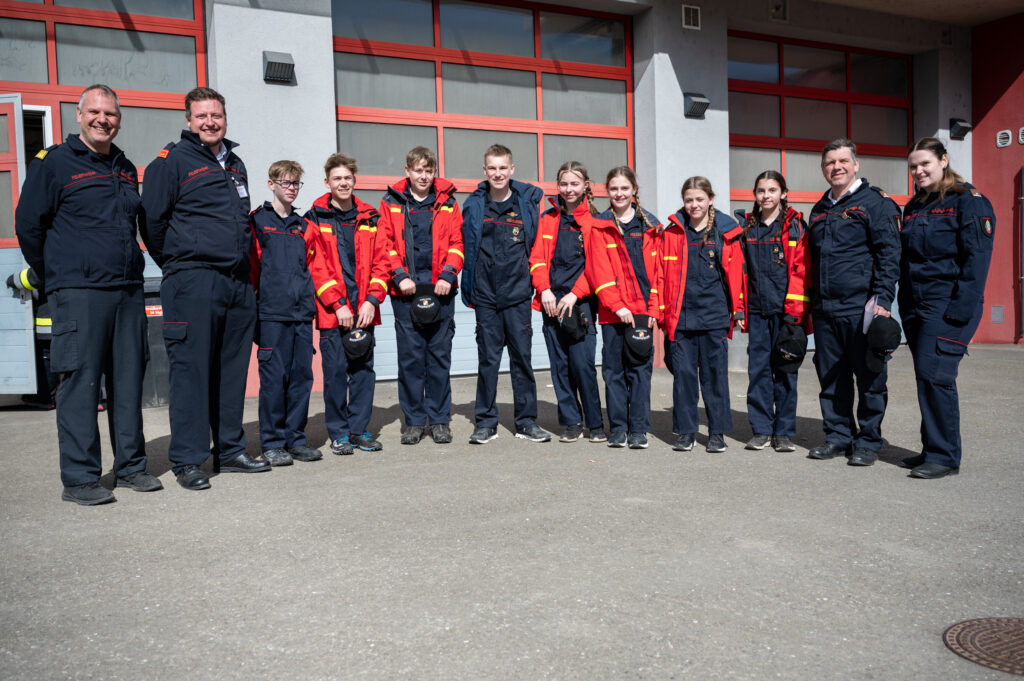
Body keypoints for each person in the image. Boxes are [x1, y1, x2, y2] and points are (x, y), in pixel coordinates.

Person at [15, 84, 159, 504]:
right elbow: (29, 225)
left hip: (128, 291)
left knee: (128, 382)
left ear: (119, 119)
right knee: (80, 384)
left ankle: (131, 468)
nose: (103, 120)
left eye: (111, 114)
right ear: (78, 115)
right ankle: (79, 479)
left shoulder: (125, 166)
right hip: (78, 292)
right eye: (94, 112)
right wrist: (54, 273)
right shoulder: (54, 163)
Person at [142, 86, 268, 491]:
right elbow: (152, 223)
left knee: (232, 374)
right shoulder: (172, 161)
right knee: (191, 374)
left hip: (236, 284)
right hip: (192, 282)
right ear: (188, 120)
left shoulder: (236, 163)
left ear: (225, 118)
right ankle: (188, 460)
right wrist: (180, 264)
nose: (210, 122)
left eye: (216, 115)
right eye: (201, 116)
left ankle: (230, 451)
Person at [899, 137, 994, 479]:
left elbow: (977, 259)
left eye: (924, 163)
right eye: (913, 166)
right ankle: (931, 448)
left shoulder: (969, 201)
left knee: (936, 376)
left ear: (943, 160)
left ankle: (944, 456)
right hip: (915, 303)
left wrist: (960, 310)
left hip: (947, 301)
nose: (919, 171)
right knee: (925, 377)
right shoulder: (914, 206)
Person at [806, 138, 901, 467]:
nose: (837, 167)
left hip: (862, 307)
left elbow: (889, 254)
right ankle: (837, 436)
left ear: (856, 164)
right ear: (823, 169)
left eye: (843, 161)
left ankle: (869, 441)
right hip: (826, 310)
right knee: (831, 376)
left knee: (871, 376)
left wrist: (883, 299)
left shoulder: (875, 204)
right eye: (830, 162)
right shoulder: (819, 209)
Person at [461, 144, 550, 445]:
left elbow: (537, 246)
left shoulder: (526, 205)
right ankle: (486, 423)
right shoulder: (474, 206)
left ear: (512, 170)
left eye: (503, 168)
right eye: (492, 168)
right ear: (484, 171)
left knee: (522, 359)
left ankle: (526, 422)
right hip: (485, 296)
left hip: (517, 296)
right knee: (488, 361)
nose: (497, 173)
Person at [304, 153, 389, 456]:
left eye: (348, 178)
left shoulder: (370, 216)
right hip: (333, 314)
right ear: (327, 182)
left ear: (355, 181)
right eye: (337, 178)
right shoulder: (314, 217)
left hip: (365, 311)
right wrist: (337, 304)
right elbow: (316, 265)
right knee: (336, 374)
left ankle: (359, 430)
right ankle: (339, 433)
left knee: (364, 372)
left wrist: (371, 301)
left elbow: (382, 262)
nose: (343, 183)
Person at [378, 147, 463, 445]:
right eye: (418, 170)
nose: (423, 176)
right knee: (411, 360)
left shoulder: (449, 204)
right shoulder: (390, 203)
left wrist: (448, 275)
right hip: (405, 293)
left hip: (441, 291)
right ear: (407, 171)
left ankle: (439, 420)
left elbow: (457, 242)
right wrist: (399, 276)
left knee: (439, 359)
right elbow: (384, 243)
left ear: (434, 172)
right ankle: (414, 421)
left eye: (428, 170)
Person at [658, 176, 744, 453]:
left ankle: (717, 432)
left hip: (714, 317)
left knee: (714, 377)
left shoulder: (726, 232)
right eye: (689, 200)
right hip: (681, 318)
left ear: (710, 199)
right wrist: (661, 312)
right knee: (683, 377)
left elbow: (738, 274)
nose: (694, 205)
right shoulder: (672, 233)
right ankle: (686, 432)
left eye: (699, 199)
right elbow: (660, 276)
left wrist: (739, 310)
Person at [248, 161, 323, 466]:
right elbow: (251, 270)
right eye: (285, 182)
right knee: (273, 380)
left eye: (295, 184)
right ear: (271, 185)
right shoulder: (257, 221)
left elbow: (313, 270)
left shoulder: (304, 227)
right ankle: (272, 442)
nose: (291, 188)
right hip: (271, 315)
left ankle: (296, 439)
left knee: (301, 378)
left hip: (301, 315)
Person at [528, 161, 605, 443]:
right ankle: (571, 422)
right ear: (557, 186)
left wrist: (575, 294)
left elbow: (597, 266)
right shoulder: (548, 219)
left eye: (574, 183)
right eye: (564, 184)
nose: (569, 189)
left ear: (586, 185)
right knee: (559, 367)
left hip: (580, 303)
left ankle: (595, 425)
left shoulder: (595, 221)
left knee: (582, 365)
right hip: (551, 302)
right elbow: (537, 259)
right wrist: (544, 289)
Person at [586, 166, 660, 449]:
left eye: (624, 188)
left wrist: (653, 309)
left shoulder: (651, 226)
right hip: (611, 313)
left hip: (642, 313)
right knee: (614, 371)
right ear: (608, 191)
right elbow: (597, 271)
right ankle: (618, 428)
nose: (619, 193)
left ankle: (639, 429)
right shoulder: (598, 225)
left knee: (640, 371)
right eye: (614, 189)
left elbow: (658, 273)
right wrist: (616, 306)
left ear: (634, 190)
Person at [737, 171, 811, 453]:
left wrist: (795, 312)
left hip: (786, 313)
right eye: (760, 191)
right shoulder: (747, 229)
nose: (766, 196)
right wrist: (740, 310)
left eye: (771, 190)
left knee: (785, 373)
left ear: (783, 193)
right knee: (758, 372)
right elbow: (740, 273)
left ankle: (783, 433)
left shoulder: (794, 227)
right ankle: (761, 430)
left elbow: (801, 270)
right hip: (757, 312)